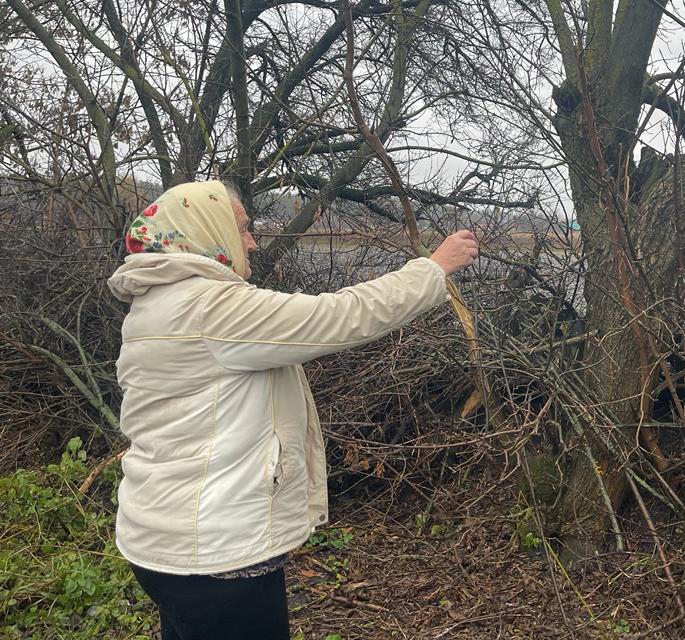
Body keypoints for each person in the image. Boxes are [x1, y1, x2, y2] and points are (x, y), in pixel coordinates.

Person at [107, 179, 478, 639]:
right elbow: (339, 316)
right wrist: (432, 270)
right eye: (241, 228)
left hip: (164, 540)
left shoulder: (157, 304)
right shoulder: (210, 308)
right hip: (215, 553)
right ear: (206, 230)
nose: (252, 241)